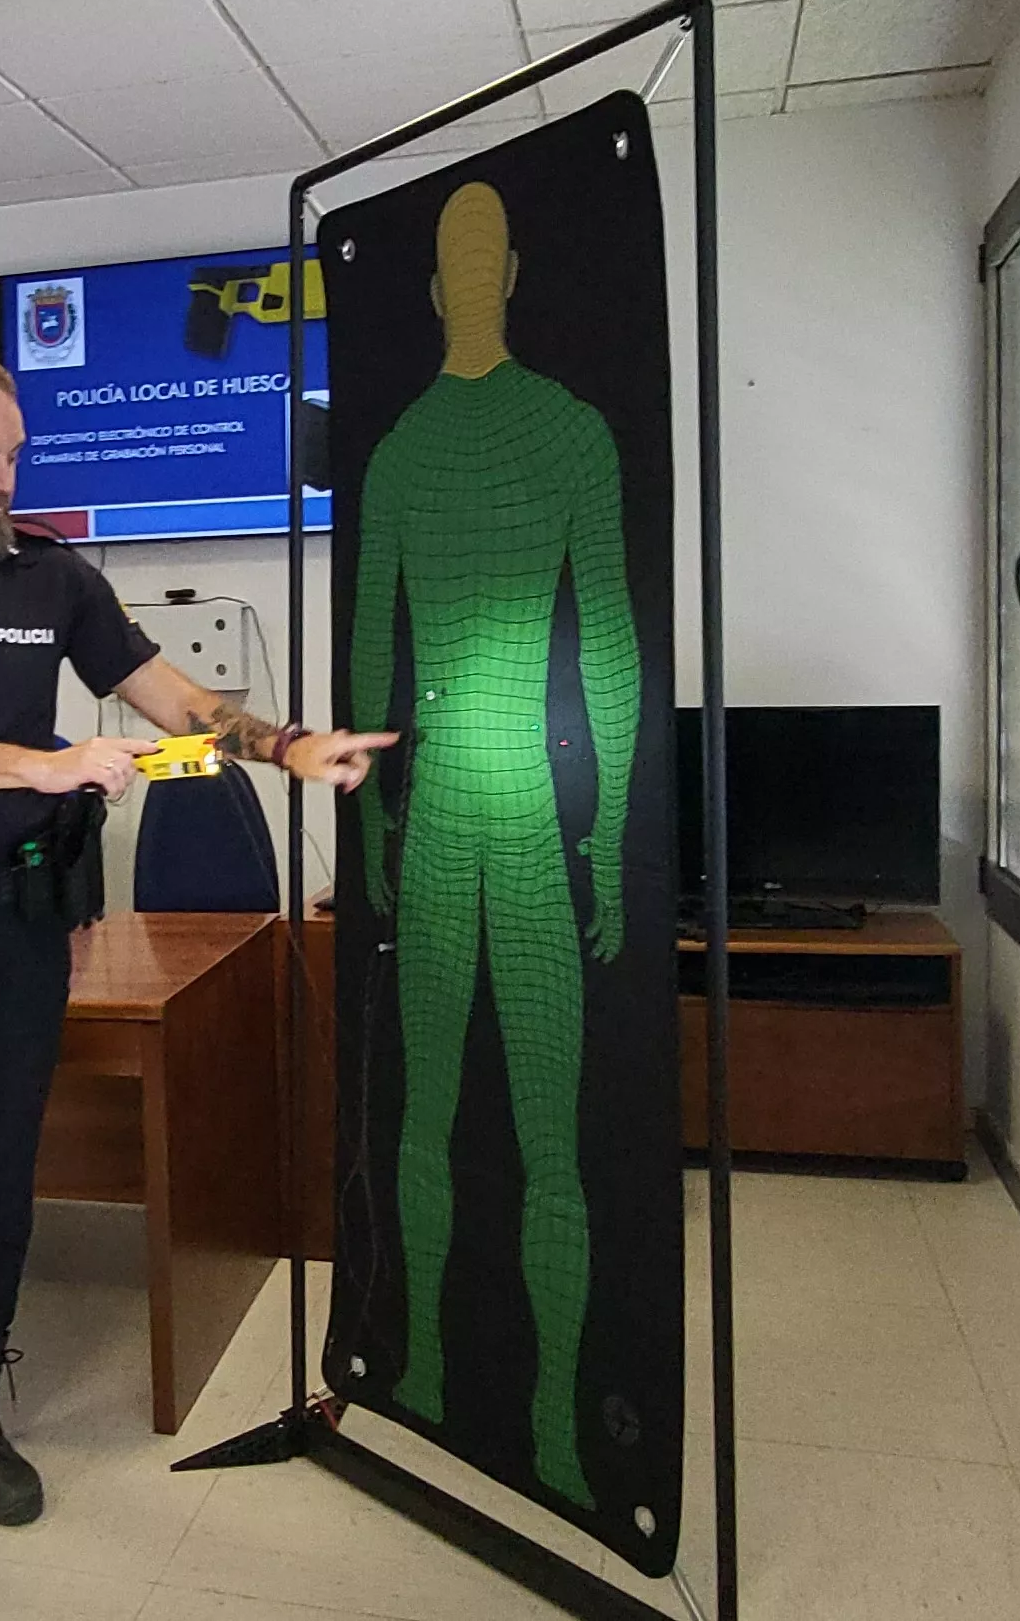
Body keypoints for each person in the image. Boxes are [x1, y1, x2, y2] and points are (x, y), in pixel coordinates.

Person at [0, 351, 392, 1619]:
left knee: (3, 1182)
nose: (6, 476)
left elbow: (176, 698)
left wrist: (287, 744)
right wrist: (44, 767)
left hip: (17, 933)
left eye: (15, 453)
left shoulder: (53, 574)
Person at [354, 180, 639, 1507]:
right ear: (507, 271)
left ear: (440, 287)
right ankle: (551, 1434)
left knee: (434, 1122)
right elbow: (617, 653)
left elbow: (373, 672)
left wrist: (369, 817)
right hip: (525, 812)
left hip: (451, 819)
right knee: (542, 1145)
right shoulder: (570, 432)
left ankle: (422, 1380)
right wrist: (616, 834)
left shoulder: (404, 449)